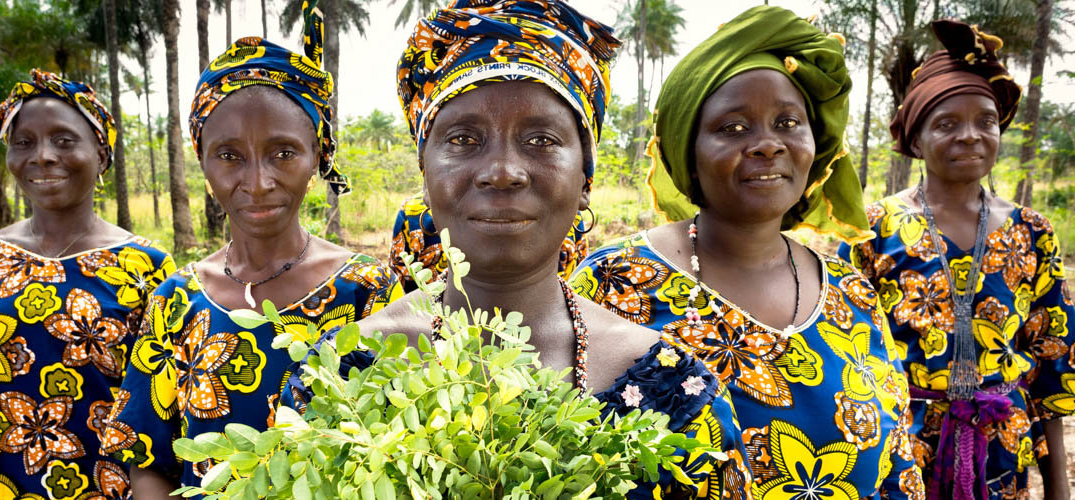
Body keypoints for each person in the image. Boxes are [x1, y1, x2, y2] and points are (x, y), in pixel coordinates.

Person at [284, 1, 752, 497]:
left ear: (586, 178)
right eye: (464, 138)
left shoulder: (676, 392)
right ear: (425, 172)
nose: (502, 170)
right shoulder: (340, 374)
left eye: (541, 139)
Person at [570, 6, 924, 499]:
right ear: (687, 152)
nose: (767, 145)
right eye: (733, 127)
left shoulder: (852, 293)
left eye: (787, 122)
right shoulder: (614, 281)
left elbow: (899, 468)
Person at [101, 5, 402, 494]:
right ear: (201, 159)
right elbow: (147, 460)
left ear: (319, 156)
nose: (258, 183)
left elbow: (394, 452)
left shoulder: (369, 292)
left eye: (283, 153)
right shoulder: (176, 301)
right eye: (229, 156)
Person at [839, 20, 1075, 500]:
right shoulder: (871, 228)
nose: (971, 136)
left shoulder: (1032, 232)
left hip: (1001, 449)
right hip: (900, 449)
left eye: (986, 121)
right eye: (947, 124)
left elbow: (1054, 362)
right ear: (915, 140)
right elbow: (848, 357)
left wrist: (1058, 487)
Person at [0, 69, 176, 500]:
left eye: (64, 140)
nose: (41, 156)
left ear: (101, 154)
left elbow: (158, 412)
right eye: (24, 143)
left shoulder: (147, 266)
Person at [387, 194, 590, 292]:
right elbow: (401, 289)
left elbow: (572, 289)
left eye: (541, 142)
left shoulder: (570, 217)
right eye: (463, 140)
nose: (501, 175)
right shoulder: (412, 216)